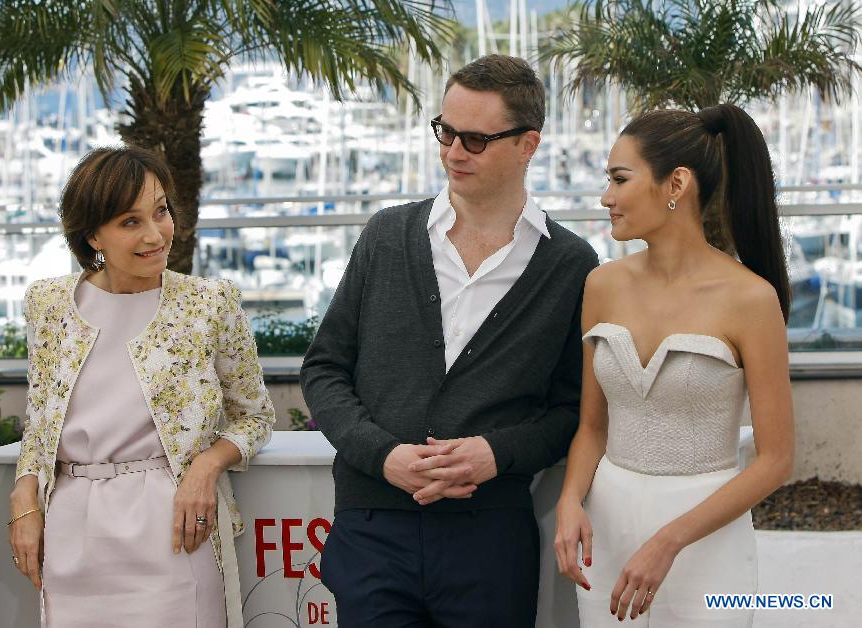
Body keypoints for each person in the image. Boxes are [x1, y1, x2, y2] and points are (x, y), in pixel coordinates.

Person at [300, 54, 598, 626]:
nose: (454, 152)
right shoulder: (387, 236)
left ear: (527, 144)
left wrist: (498, 454)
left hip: (490, 537)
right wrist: (382, 456)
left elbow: (573, 410)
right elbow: (324, 369)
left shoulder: (570, 265)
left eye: (476, 140)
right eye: (446, 131)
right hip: (371, 527)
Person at [8, 146, 276, 627]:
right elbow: (40, 424)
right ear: (93, 234)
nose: (156, 235)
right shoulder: (47, 304)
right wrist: (24, 498)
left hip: (174, 531)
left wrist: (206, 467)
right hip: (70, 532)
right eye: (130, 222)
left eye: (161, 212)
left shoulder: (208, 303)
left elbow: (255, 416)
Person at [554, 104, 795, 626]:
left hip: (705, 543)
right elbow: (593, 429)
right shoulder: (601, 286)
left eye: (620, 179)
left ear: (676, 184)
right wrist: (570, 502)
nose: (606, 197)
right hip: (607, 534)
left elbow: (776, 460)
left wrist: (668, 541)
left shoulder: (751, 300)